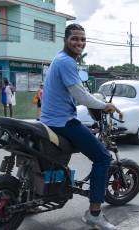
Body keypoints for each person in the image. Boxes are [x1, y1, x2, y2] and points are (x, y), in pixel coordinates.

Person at [41, 23, 121, 230]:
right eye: (75, 38)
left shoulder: (59, 59)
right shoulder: (66, 62)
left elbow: (73, 94)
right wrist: (105, 106)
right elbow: (80, 94)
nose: (79, 43)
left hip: (50, 119)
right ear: (66, 40)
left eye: (83, 39)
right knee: (103, 157)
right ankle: (94, 213)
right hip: (62, 122)